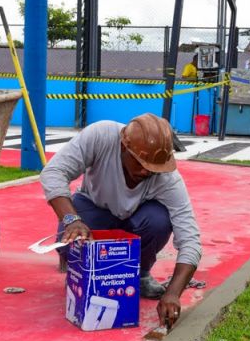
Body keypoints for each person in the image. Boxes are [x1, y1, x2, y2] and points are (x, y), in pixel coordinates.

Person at [39, 113, 201, 328]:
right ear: (124, 147)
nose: (146, 171)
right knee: (71, 239)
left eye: (153, 168)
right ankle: (71, 260)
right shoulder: (101, 136)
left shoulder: (167, 179)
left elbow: (190, 238)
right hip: (93, 207)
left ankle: (140, 274)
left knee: (158, 219)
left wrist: (173, 293)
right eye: (141, 163)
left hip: (136, 219)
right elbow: (53, 172)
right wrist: (71, 219)